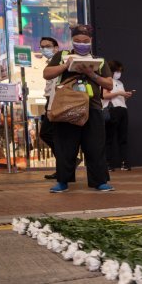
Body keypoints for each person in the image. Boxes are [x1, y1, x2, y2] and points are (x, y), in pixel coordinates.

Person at [43, 24, 114, 193]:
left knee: (95, 146)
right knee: (65, 146)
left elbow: (109, 84)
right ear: (72, 41)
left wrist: (92, 74)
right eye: (77, 40)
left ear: (91, 41)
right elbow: (47, 74)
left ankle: (99, 181)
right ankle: (63, 181)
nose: (81, 43)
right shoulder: (62, 56)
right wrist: (66, 65)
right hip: (68, 107)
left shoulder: (99, 60)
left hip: (93, 108)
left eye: (85, 41)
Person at [102, 60, 133, 171]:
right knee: (109, 138)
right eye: (117, 71)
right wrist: (120, 93)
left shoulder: (120, 83)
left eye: (120, 71)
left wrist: (125, 95)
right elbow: (104, 95)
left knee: (123, 137)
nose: (119, 73)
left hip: (122, 109)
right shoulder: (105, 81)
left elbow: (121, 98)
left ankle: (124, 162)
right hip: (111, 110)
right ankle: (108, 163)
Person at [38, 36, 61, 180]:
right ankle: (64, 166)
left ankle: (66, 162)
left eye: (48, 46)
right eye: (42, 47)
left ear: (56, 48)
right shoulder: (50, 64)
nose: (44, 49)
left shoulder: (58, 63)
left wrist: (51, 107)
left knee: (46, 133)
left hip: (54, 102)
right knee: (52, 135)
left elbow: (55, 86)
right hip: (49, 101)